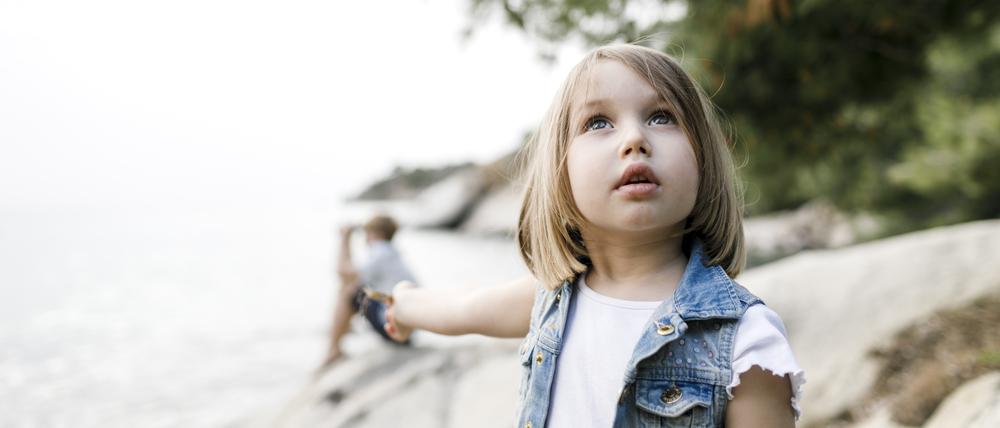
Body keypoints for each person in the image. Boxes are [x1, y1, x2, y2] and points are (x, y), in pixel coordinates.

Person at [381, 44, 805, 427]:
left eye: (662, 117)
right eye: (598, 122)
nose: (635, 138)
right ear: (561, 173)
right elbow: (465, 309)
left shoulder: (745, 339)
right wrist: (403, 304)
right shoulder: (551, 299)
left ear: (703, 159)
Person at [322, 214, 416, 367]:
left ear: (375, 233)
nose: (364, 239)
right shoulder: (391, 253)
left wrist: (345, 239)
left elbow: (343, 273)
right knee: (354, 290)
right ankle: (339, 341)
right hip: (403, 330)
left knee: (348, 294)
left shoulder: (381, 252)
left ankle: (333, 350)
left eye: (366, 233)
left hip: (394, 330)